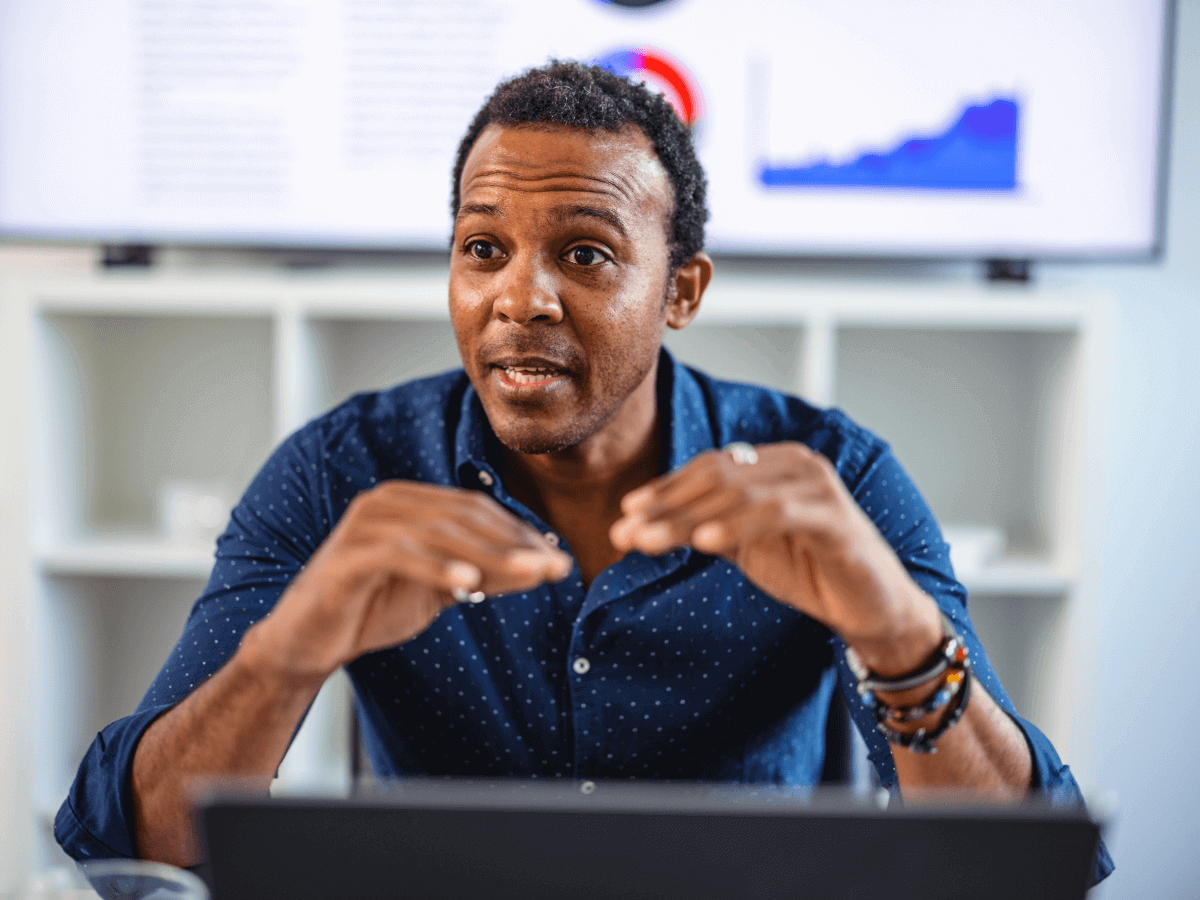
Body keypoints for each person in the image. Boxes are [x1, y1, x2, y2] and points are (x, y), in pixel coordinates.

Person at [56, 60, 1111, 882]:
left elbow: (1019, 864)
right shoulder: (347, 475)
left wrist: (894, 630)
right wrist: (286, 654)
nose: (522, 298)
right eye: (483, 249)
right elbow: (127, 846)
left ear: (682, 290)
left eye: (586, 254)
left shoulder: (832, 478)